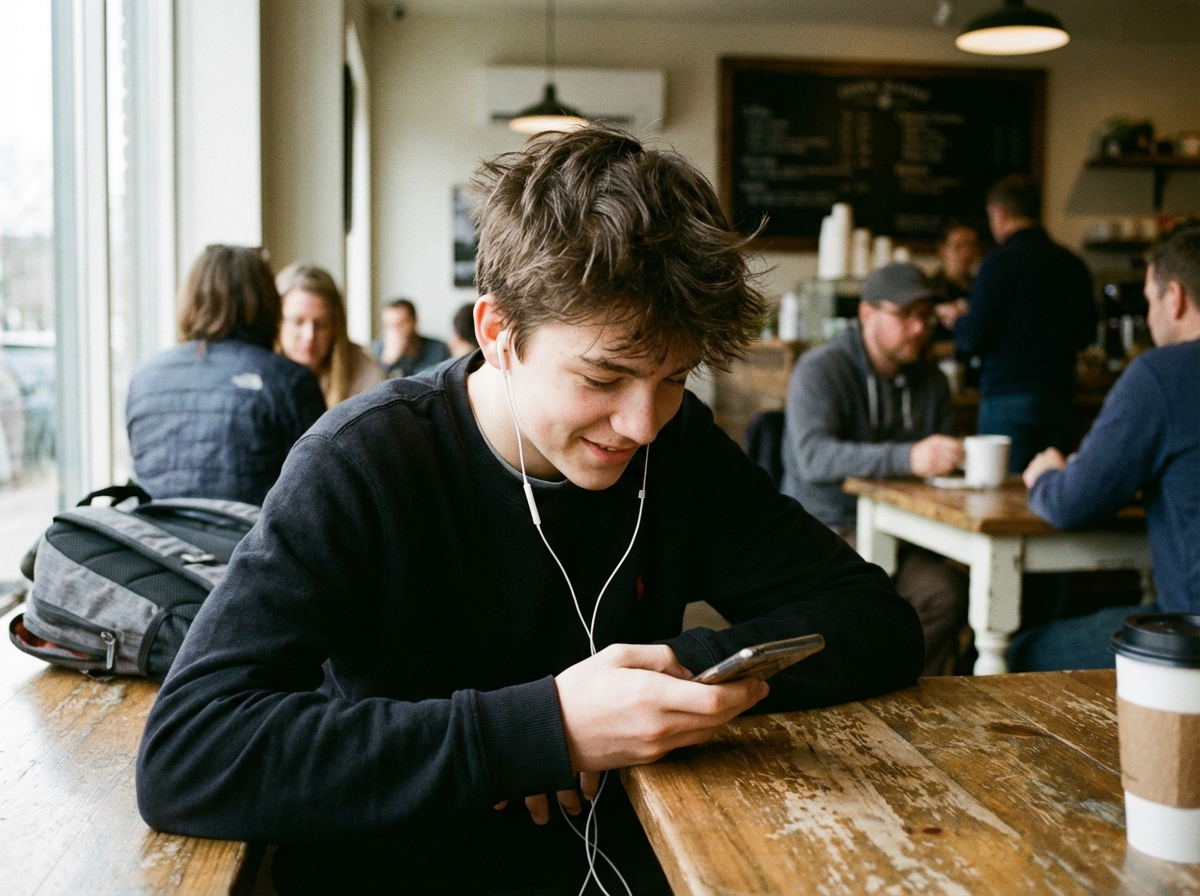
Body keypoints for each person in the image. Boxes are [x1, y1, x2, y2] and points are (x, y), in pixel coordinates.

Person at [136, 127, 924, 896]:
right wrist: (541, 730)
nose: (642, 424)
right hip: (404, 874)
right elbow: (190, 753)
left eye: (676, 378)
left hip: (640, 860)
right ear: (499, 332)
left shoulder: (677, 447)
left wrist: (671, 676)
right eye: (603, 378)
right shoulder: (361, 462)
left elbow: (876, 621)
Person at [1011, 225, 1200, 671]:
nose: (1150, 315)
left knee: (1023, 650)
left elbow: (1071, 503)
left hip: (1192, 640)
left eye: (1150, 302)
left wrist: (1046, 475)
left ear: (1174, 297)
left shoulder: (1160, 375)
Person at [780, 262, 967, 676]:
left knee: (945, 593)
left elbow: (942, 468)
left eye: (925, 316)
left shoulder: (931, 380)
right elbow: (814, 457)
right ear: (867, 313)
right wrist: (910, 458)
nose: (919, 328)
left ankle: (906, 691)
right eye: (905, 315)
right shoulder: (820, 370)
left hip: (906, 529)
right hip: (827, 528)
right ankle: (856, 688)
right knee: (861, 598)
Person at [126, 245, 326, 506]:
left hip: (158, 543)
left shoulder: (143, 379)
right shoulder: (291, 381)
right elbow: (321, 491)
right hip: (250, 545)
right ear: (268, 302)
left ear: (190, 298)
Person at [941, 175, 1096, 472]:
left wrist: (958, 321)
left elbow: (973, 337)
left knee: (1000, 495)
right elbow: (1087, 334)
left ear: (1000, 214)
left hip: (1007, 398)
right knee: (1050, 493)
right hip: (1060, 396)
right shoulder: (1072, 264)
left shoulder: (998, 264)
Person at [275, 262, 384, 407]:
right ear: (277, 322)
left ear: (336, 326)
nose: (309, 336)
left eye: (321, 324)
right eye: (298, 322)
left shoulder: (367, 374)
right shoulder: (256, 373)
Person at [373, 297, 451, 377]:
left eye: (401, 324)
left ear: (415, 321)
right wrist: (388, 361)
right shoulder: (376, 351)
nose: (396, 330)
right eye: (390, 325)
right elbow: (372, 385)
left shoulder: (439, 349)